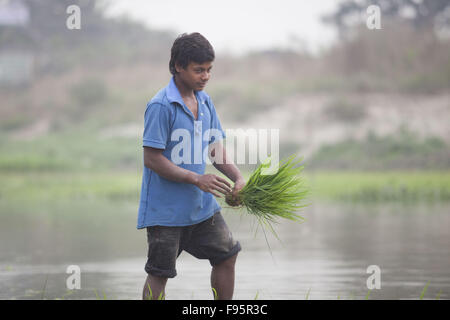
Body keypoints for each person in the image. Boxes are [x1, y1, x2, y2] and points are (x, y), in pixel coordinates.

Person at [137, 32, 245, 300]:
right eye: (199, 70)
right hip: (166, 211)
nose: (205, 76)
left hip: (201, 208)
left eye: (209, 70)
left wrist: (238, 178)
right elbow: (152, 158)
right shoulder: (161, 106)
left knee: (227, 255)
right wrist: (197, 179)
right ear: (178, 66)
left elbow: (214, 148)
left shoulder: (205, 101)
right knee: (160, 273)